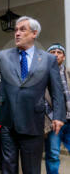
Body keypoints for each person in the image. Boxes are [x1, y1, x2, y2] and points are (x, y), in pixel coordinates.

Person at [0, 16, 65, 174]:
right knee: (8, 167)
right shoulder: (4, 55)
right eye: (16, 30)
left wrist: (58, 115)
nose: (17, 33)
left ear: (34, 33)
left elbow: (56, 90)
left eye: (22, 29)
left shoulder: (48, 60)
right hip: (7, 121)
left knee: (32, 168)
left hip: (33, 123)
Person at [45, 43, 70, 174]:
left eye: (58, 52)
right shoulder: (42, 75)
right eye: (52, 52)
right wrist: (52, 118)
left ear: (64, 57)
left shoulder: (69, 73)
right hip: (54, 122)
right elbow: (41, 99)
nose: (55, 54)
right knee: (53, 155)